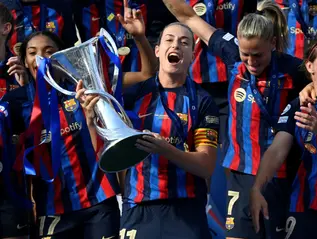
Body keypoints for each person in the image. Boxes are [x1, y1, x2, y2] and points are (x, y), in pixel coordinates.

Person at [161, 0, 317, 238]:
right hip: (240, 172)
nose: (251, 62)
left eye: (258, 55)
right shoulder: (230, 50)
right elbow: (189, 17)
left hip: (280, 175)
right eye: (246, 55)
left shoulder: (292, 68)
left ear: (273, 44)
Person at [18, 1, 157, 238]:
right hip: (52, 210)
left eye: (49, 51)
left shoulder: (88, 85)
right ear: (23, 60)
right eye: (32, 53)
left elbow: (147, 74)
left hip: (99, 203)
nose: (40, 58)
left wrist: (140, 38)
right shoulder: (16, 103)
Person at [77, 22, 220, 239]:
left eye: (184, 43)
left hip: (187, 208)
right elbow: (109, 153)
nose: (176, 46)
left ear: (192, 54)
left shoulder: (202, 101)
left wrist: (166, 149)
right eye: (169, 40)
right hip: (139, 208)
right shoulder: (133, 96)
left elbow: (206, 166)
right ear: (158, 51)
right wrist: (90, 120)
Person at [250, 33, 317, 239]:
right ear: (310, 67)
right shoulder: (298, 104)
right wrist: (257, 188)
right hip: (302, 205)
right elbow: (276, 151)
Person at [0, 3, 32, 239]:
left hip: (13, 187)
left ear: (5, 28)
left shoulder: (21, 73)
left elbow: (38, 128)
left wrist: (25, 89)